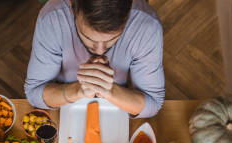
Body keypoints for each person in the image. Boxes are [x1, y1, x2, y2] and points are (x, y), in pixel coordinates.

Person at [24, 0, 164, 118]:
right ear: (73, 7)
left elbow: (153, 103)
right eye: (89, 39)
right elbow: (34, 93)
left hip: (119, 106)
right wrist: (79, 90)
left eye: (112, 40)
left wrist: (109, 91)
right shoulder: (52, 17)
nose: (100, 51)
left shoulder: (147, 25)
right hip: (62, 104)